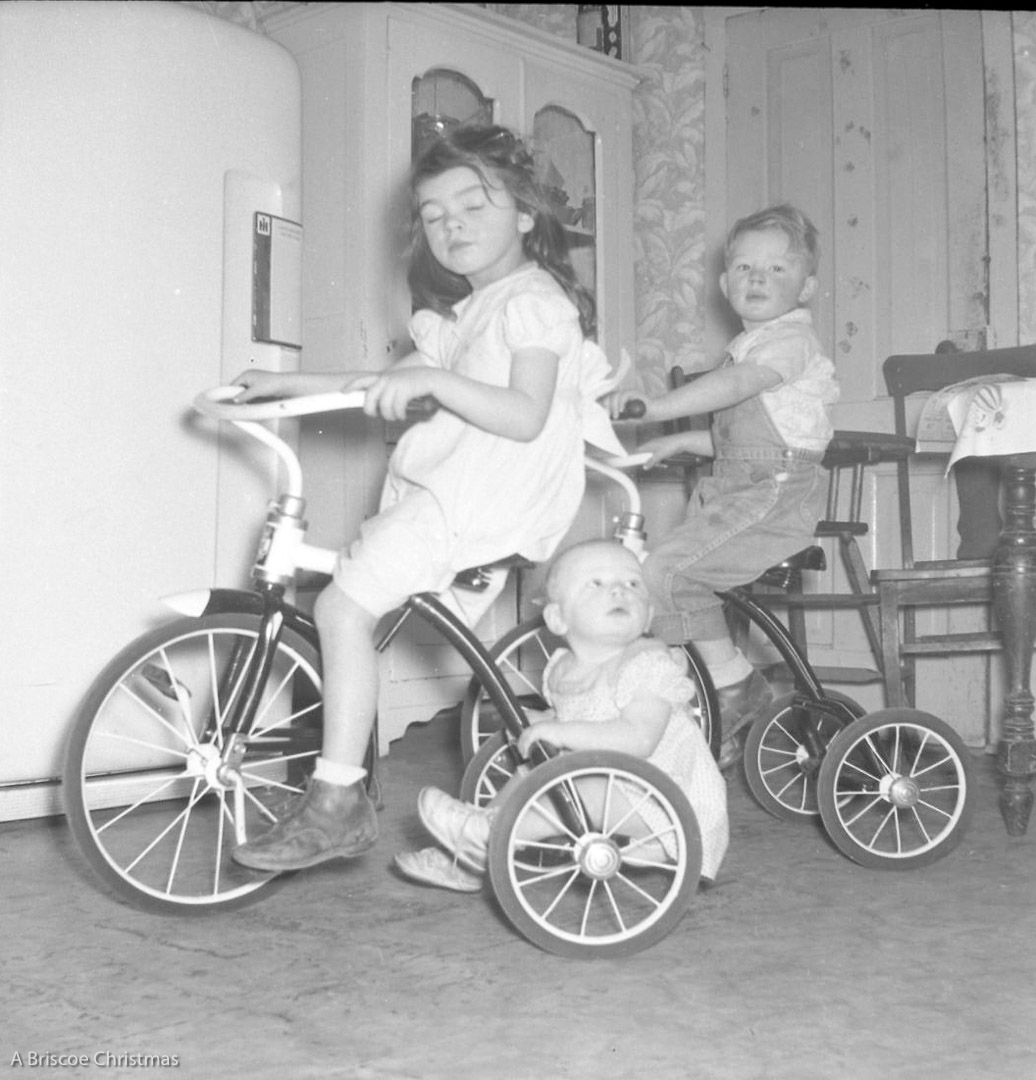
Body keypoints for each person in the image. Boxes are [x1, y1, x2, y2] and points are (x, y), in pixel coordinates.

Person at [229, 124, 625, 873]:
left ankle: (338, 800)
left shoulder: (535, 302)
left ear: (526, 214)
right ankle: (361, 774)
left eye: (473, 206)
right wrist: (283, 383)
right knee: (365, 610)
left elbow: (525, 414)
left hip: (483, 498)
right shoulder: (467, 313)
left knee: (341, 609)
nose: (452, 226)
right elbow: (379, 381)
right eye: (434, 215)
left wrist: (434, 381)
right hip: (455, 493)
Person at [607, 204, 839, 768]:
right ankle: (713, 684)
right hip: (743, 484)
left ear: (807, 288)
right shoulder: (747, 346)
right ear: (724, 283)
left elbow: (738, 391)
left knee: (666, 571)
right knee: (662, 573)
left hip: (776, 491)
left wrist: (657, 407)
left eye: (777, 269)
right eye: (744, 267)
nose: (757, 278)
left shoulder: (789, 341)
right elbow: (744, 436)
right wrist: (680, 442)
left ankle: (734, 685)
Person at [395, 540, 729, 892]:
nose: (620, 590)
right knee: (532, 770)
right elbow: (582, 715)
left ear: (648, 616)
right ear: (557, 618)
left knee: (574, 791)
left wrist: (561, 731)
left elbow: (639, 738)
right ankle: (473, 852)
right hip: (616, 782)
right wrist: (545, 720)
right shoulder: (564, 668)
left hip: (663, 798)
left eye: (633, 583)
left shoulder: (649, 665)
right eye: (596, 583)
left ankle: (489, 836)